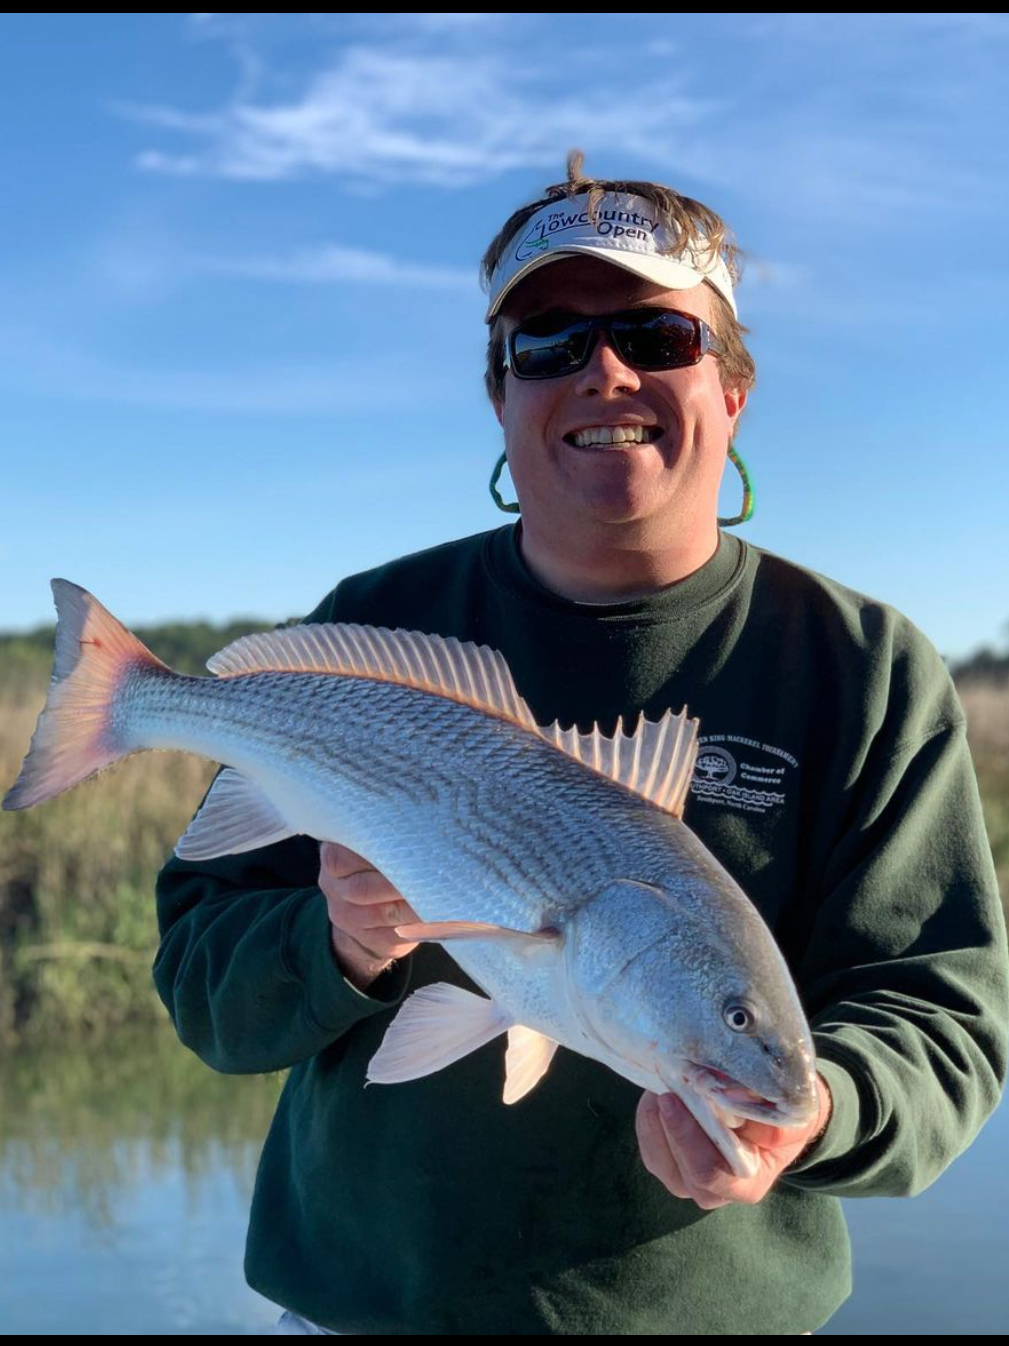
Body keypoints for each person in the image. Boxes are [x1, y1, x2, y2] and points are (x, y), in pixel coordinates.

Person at [153, 152, 1009, 1336]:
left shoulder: (863, 666)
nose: (603, 369)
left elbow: (942, 1016)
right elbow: (204, 983)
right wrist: (334, 940)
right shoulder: (364, 632)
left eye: (659, 334)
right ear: (500, 395)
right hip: (366, 1308)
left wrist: (817, 1110)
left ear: (735, 388)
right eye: (547, 340)